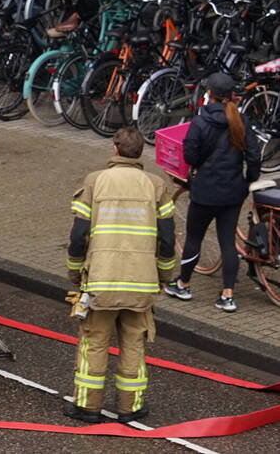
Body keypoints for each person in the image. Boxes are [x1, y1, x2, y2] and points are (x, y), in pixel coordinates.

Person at [64, 126, 176, 423]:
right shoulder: (156, 185)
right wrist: (165, 276)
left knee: (94, 341)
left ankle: (88, 407)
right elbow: (167, 238)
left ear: (114, 149)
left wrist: (75, 272)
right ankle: (130, 407)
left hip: (101, 282)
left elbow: (78, 236)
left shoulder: (94, 181)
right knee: (134, 343)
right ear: (141, 152)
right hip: (141, 283)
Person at [164, 72, 261, 312]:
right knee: (227, 241)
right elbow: (254, 155)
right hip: (232, 192)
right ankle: (228, 295)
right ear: (231, 96)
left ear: (209, 94)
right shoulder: (241, 120)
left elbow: (190, 156)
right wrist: (249, 180)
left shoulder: (200, 122)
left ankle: (183, 284)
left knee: (194, 239)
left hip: (205, 191)